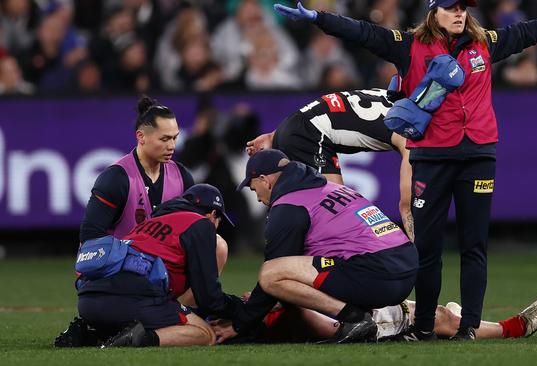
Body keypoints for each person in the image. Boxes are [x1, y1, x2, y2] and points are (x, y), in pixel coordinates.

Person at [273, 0, 537, 341]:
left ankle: (469, 328)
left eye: (464, 8)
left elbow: (527, 33)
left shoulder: (484, 43)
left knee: (474, 245)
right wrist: (318, 17)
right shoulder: (409, 46)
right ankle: (424, 326)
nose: (460, 13)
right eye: (451, 7)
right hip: (431, 158)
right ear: (434, 11)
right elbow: (362, 32)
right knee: (427, 248)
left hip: (478, 155)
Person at [211, 149, 418, 344]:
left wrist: (240, 324)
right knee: (284, 278)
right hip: (406, 267)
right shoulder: (327, 187)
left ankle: (355, 318)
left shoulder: (288, 206)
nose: (257, 197)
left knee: (270, 274)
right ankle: (396, 318)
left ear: (265, 180)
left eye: (254, 187)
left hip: (377, 273)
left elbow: (276, 271)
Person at [55, 184, 239, 348]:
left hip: (88, 301)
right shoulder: (201, 224)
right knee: (204, 334)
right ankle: (140, 339)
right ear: (212, 215)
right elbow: (208, 296)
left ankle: (91, 333)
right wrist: (243, 311)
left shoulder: (147, 223)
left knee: (140, 309)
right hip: (132, 296)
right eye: (218, 222)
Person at [245, 88, 416, 240]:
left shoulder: (394, 97)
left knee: (335, 209)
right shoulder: (410, 132)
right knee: (338, 211)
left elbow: (322, 109)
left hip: (298, 127)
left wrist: (274, 135)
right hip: (308, 135)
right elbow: (406, 206)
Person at [236, 289, 537, 343]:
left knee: (437, 317)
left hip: (340, 314)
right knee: (437, 317)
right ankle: (518, 327)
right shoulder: (247, 326)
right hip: (343, 324)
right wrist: (274, 299)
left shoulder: (231, 317)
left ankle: (460, 320)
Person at [79, 95, 195, 242]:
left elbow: (193, 231)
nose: (172, 146)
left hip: (167, 262)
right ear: (141, 137)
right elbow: (89, 237)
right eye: (164, 139)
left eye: (175, 138)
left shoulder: (182, 176)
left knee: (217, 245)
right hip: (123, 262)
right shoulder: (116, 178)